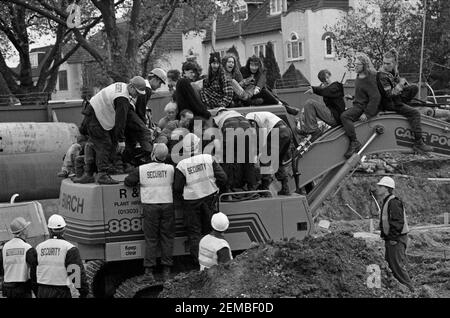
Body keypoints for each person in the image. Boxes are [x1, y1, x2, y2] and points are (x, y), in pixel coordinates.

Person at [81, 76, 147, 184]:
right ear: (131, 86)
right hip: (96, 118)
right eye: (137, 92)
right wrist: (121, 140)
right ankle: (102, 175)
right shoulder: (122, 98)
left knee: (99, 144)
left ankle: (90, 173)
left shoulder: (121, 86)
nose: (137, 95)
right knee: (105, 144)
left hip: (93, 115)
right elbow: (120, 121)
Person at [174, 133, 228, 264]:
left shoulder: (181, 165)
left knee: (194, 233)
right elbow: (223, 178)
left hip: (191, 202)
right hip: (210, 198)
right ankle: (215, 261)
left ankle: (199, 264)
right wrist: (221, 191)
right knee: (211, 230)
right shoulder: (208, 158)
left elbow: (177, 188)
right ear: (198, 145)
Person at [124, 144, 175, 283]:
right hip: (167, 205)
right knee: (167, 238)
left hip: (150, 206)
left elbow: (128, 182)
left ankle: (149, 273)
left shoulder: (142, 169)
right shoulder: (170, 169)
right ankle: (167, 272)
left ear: (153, 153)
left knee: (151, 239)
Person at [377, 48, 432, 153]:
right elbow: (389, 94)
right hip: (389, 103)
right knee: (415, 113)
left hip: (396, 98)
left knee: (414, 88)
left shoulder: (393, 71)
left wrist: (404, 83)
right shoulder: (382, 75)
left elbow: (398, 83)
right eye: (384, 63)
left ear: (394, 63)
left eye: (388, 64)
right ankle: (418, 143)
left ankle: (404, 104)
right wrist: (400, 85)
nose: (385, 66)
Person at [375, 176, 414, 292]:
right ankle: (401, 290)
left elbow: (397, 222)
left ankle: (411, 290)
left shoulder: (394, 202)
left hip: (396, 239)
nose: (378, 188)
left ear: (387, 188)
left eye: (380, 186)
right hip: (391, 238)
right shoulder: (387, 201)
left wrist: (392, 238)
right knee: (391, 265)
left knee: (397, 266)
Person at [35, 214, 89, 298]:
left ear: (49, 229)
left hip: (42, 290)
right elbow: (75, 273)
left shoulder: (39, 247)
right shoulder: (69, 248)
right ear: (64, 229)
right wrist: (83, 291)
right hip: (60, 292)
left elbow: (33, 271)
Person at [341, 53, 381, 159]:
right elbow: (363, 93)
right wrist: (353, 97)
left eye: (357, 64)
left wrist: (367, 114)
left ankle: (354, 142)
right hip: (357, 104)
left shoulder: (369, 78)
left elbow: (375, 97)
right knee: (341, 113)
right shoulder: (359, 76)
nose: (355, 66)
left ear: (364, 65)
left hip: (363, 107)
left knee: (345, 116)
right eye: (354, 64)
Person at [213, 108, 258, 198]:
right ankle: (252, 189)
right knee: (248, 161)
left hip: (230, 128)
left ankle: (227, 191)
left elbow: (216, 138)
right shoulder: (239, 114)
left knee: (227, 161)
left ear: (219, 113)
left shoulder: (217, 118)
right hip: (247, 128)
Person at [245, 111, 293, 196]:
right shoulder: (258, 116)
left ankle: (264, 189)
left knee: (265, 159)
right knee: (278, 161)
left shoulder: (249, 117)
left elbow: (255, 135)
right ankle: (285, 188)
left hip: (277, 132)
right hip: (287, 132)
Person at [300, 69, 346, 140]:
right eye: (324, 80)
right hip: (332, 116)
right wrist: (315, 88)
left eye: (327, 78)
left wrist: (314, 89)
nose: (327, 81)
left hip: (336, 117)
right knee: (308, 105)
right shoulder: (325, 89)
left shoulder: (337, 86)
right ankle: (309, 129)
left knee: (310, 103)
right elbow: (324, 90)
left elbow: (328, 91)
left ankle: (313, 131)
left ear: (330, 76)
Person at [0, 217, 37, 298]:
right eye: (26, 228)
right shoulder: (27, 248)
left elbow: (1, 269)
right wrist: (36, 290)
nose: (28, 230)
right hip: (22, 289)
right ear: (23, 231)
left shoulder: (5, 247)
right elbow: (34, 271)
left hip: (8, 288)